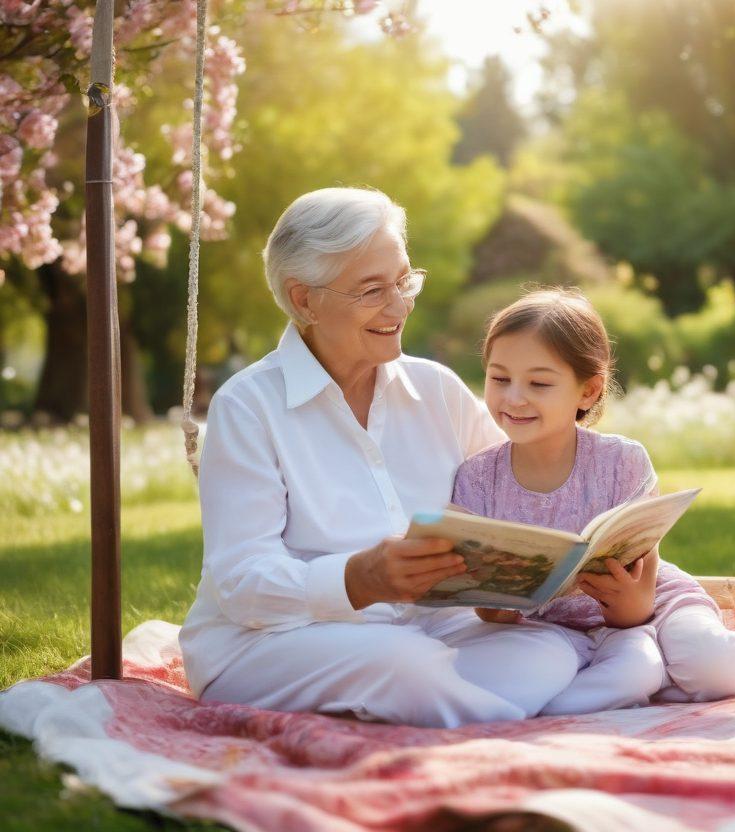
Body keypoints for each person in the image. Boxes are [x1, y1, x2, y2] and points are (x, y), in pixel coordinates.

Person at [179, 188, 581, 727]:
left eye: (403, 281)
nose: (399, 306)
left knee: (547, 650)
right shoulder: (248, 405)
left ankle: (454, 711)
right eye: (372, 290)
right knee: (404, 665)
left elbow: (510, 498)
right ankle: (513, 738)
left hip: (422, 629)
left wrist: (515, 574)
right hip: (267, 642)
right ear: (303, 300)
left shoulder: (436, 388)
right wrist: (357, 579)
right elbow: (242, 583)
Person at [451, 288, 735, 714]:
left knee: (713, 663)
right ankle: (663, 681)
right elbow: (485, 607)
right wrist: (494, 607)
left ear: (588, 391)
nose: (514, 397)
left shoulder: (622, 461)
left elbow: (641, 595)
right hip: (551, 631)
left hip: (651, 607)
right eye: (499, 378)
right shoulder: (477, 478)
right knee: (603, 686)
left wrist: (633, 615)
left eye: (539, 383)